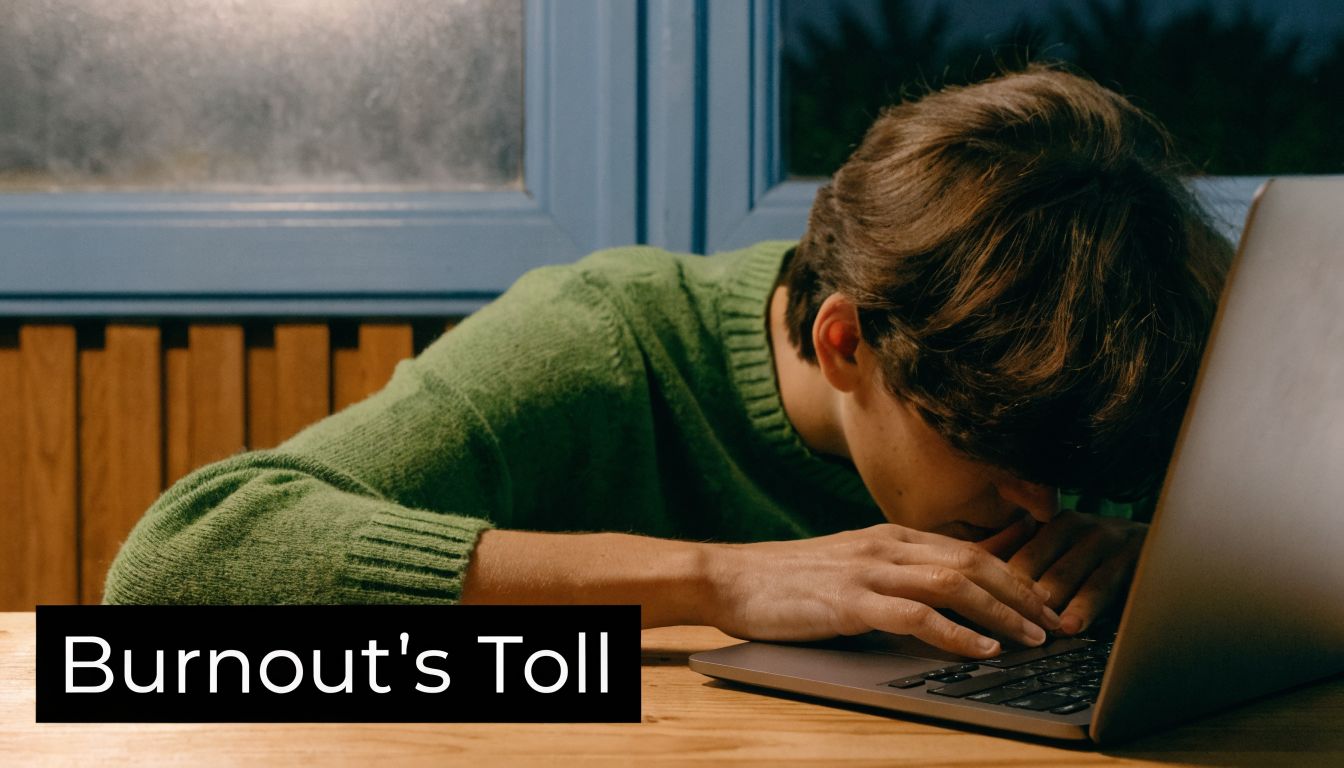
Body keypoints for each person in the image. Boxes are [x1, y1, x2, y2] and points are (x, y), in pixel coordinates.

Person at [104, 65, 1231, 659]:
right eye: (1000, 454)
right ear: (846, 341)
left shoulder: (1079, 356)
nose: (1043, 499)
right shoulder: (603, 341)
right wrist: (720, 579)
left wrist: (1164, 562)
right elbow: (183, 564)